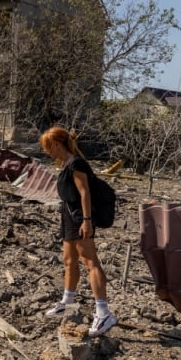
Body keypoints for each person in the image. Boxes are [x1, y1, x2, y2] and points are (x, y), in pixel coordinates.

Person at [39, 126, 118, 337]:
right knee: (69, 260)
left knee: (89, 261)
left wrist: (87, 221)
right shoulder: (65, 164)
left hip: (80, 218)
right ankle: (67, 301)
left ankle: (104, 313)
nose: (46, 151)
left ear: (56, 144)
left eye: (47, 147)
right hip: (69, 217)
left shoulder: (76, 164)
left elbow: (85, 193)